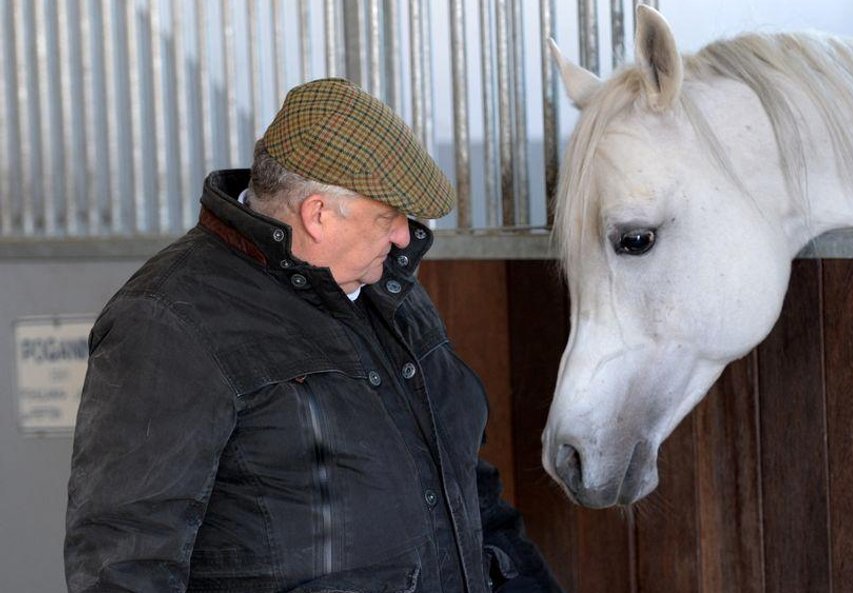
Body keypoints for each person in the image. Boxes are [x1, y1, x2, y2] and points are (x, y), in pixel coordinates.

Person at [64, 78, 562, 593]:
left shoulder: (390, 291)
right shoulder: (168, 322)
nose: (402, 236)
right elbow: (124, 562)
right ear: (318, 214)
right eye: (388, 217)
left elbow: (467, 493)